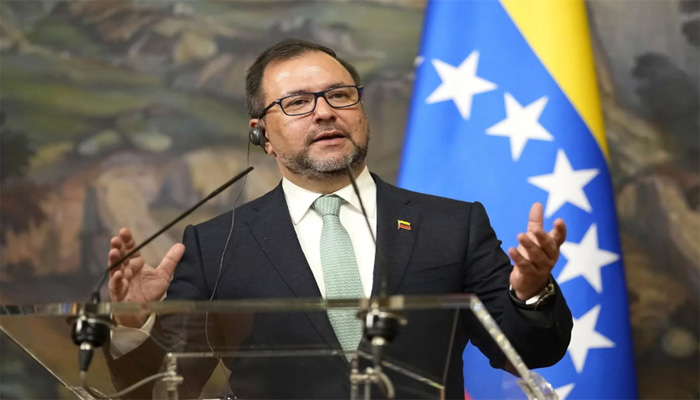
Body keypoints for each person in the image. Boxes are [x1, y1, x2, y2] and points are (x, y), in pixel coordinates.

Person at [106, 38, 572, 399]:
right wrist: (133, 326)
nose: (325, 112)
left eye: (340, 95)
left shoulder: (452, 225)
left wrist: (530, 292)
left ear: (361, 112)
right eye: (296, 102)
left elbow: (533, 352)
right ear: (261, 135)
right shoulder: (215, 246)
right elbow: (159, 387)